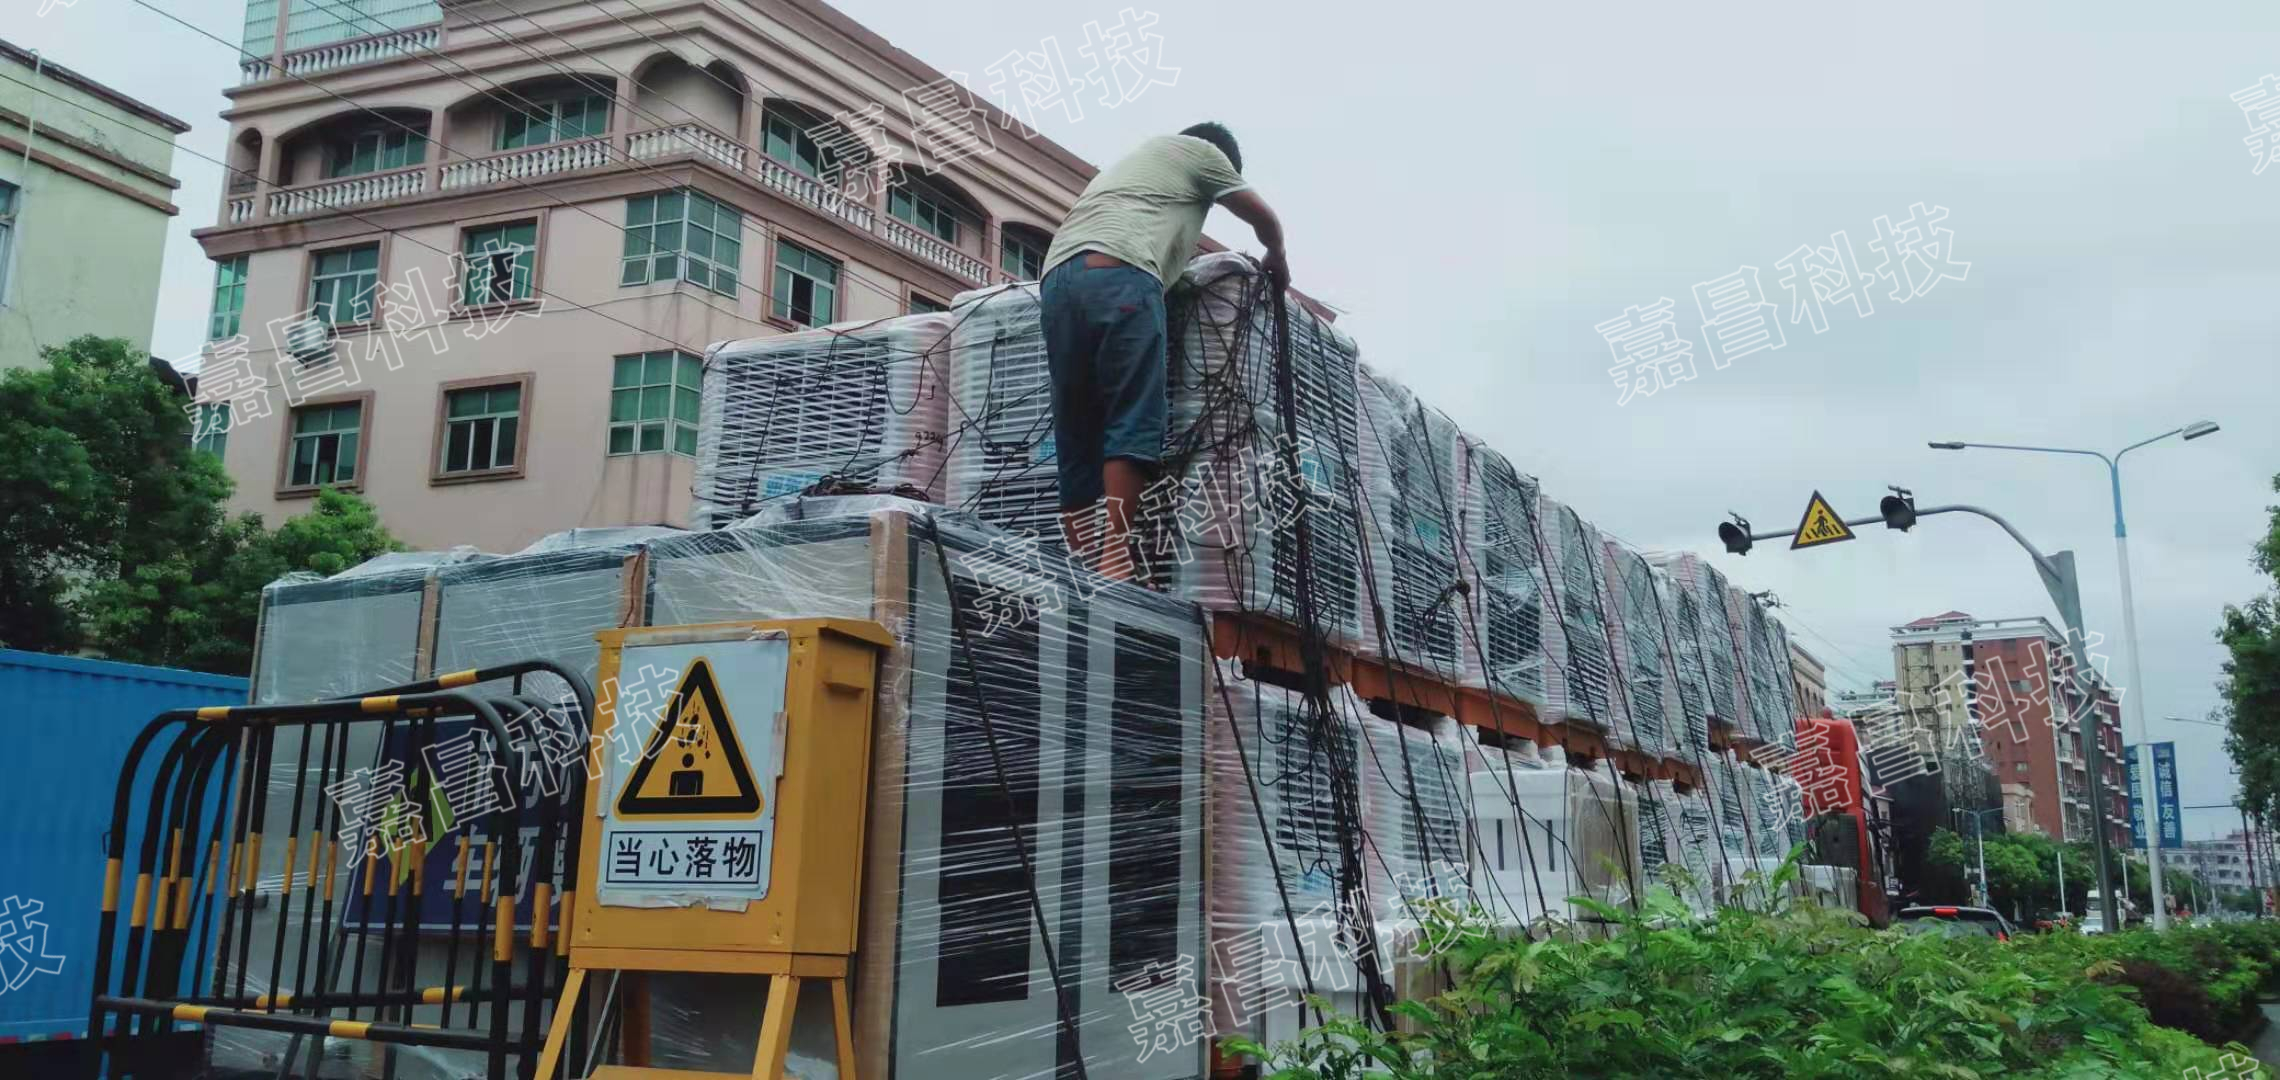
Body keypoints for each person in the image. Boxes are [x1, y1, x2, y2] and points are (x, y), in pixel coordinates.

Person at [1037, 122, 1288, 580]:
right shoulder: (1202, 153)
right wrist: (1277, 255)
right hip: (1122, 271)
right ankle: (1116, 558)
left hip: (1056, 280)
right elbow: (1262, 217)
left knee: (1076, 424)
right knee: (1132, 413)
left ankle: (1079, 565)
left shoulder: (1132, 170)